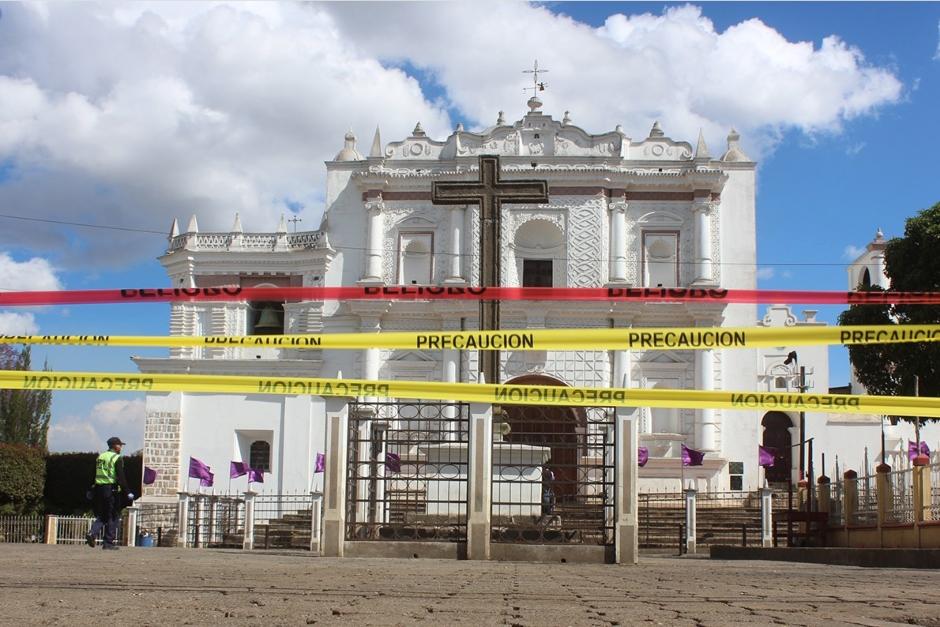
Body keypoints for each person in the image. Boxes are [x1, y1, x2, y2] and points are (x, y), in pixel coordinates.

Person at [86, 436, 134, 550]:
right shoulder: (117, 458)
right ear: (115, 446)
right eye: (120, 445)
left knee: (103, 514)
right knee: (114, 515)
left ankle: (92, 533)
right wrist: (128, 492)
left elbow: (93, 474)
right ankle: (108, 542)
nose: (121, 447)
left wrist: (90, 489)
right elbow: (121, 477)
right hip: (111, 490)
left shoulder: (100, 457)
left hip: (99, 489)